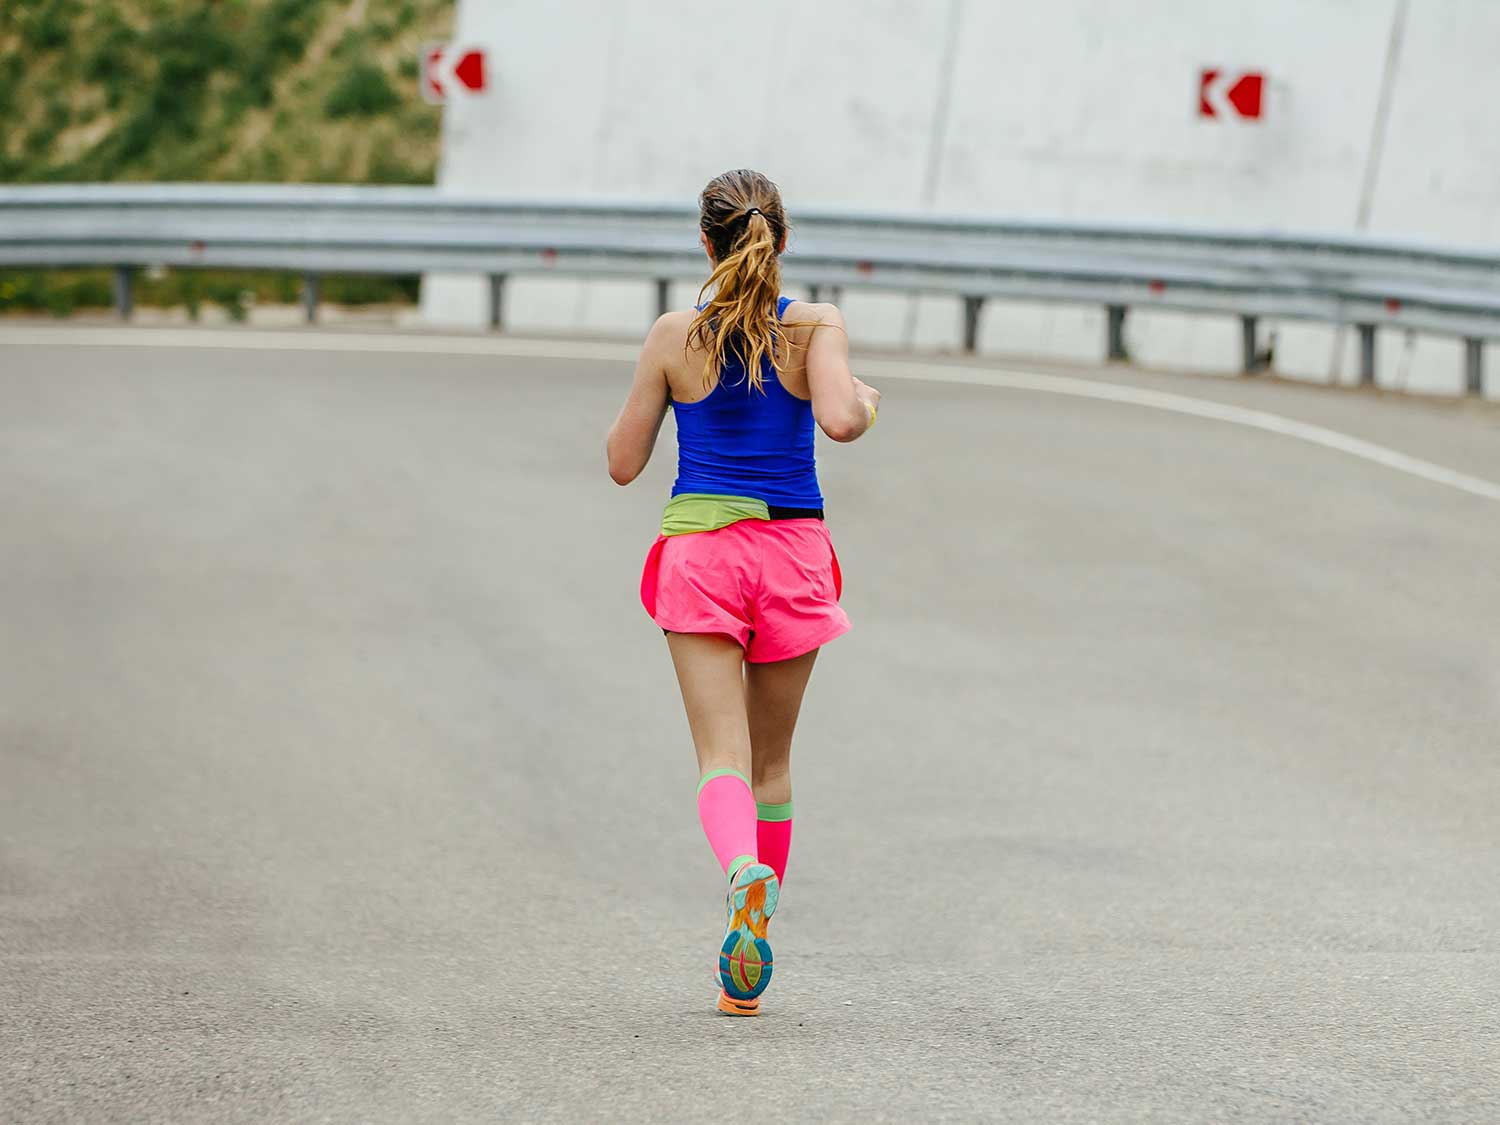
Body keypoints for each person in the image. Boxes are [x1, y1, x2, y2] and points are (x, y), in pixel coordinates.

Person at [606, 169, 880, 1016]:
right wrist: (868, 400)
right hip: (792, 552)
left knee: (719, 756)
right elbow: (840, 418)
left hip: (703, 554)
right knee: (772, 762)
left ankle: (739, 876)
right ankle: (751, 962)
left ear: (706, 242)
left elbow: (622, 462)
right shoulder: (815, 325)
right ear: (782, 241)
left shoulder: (672, 334)